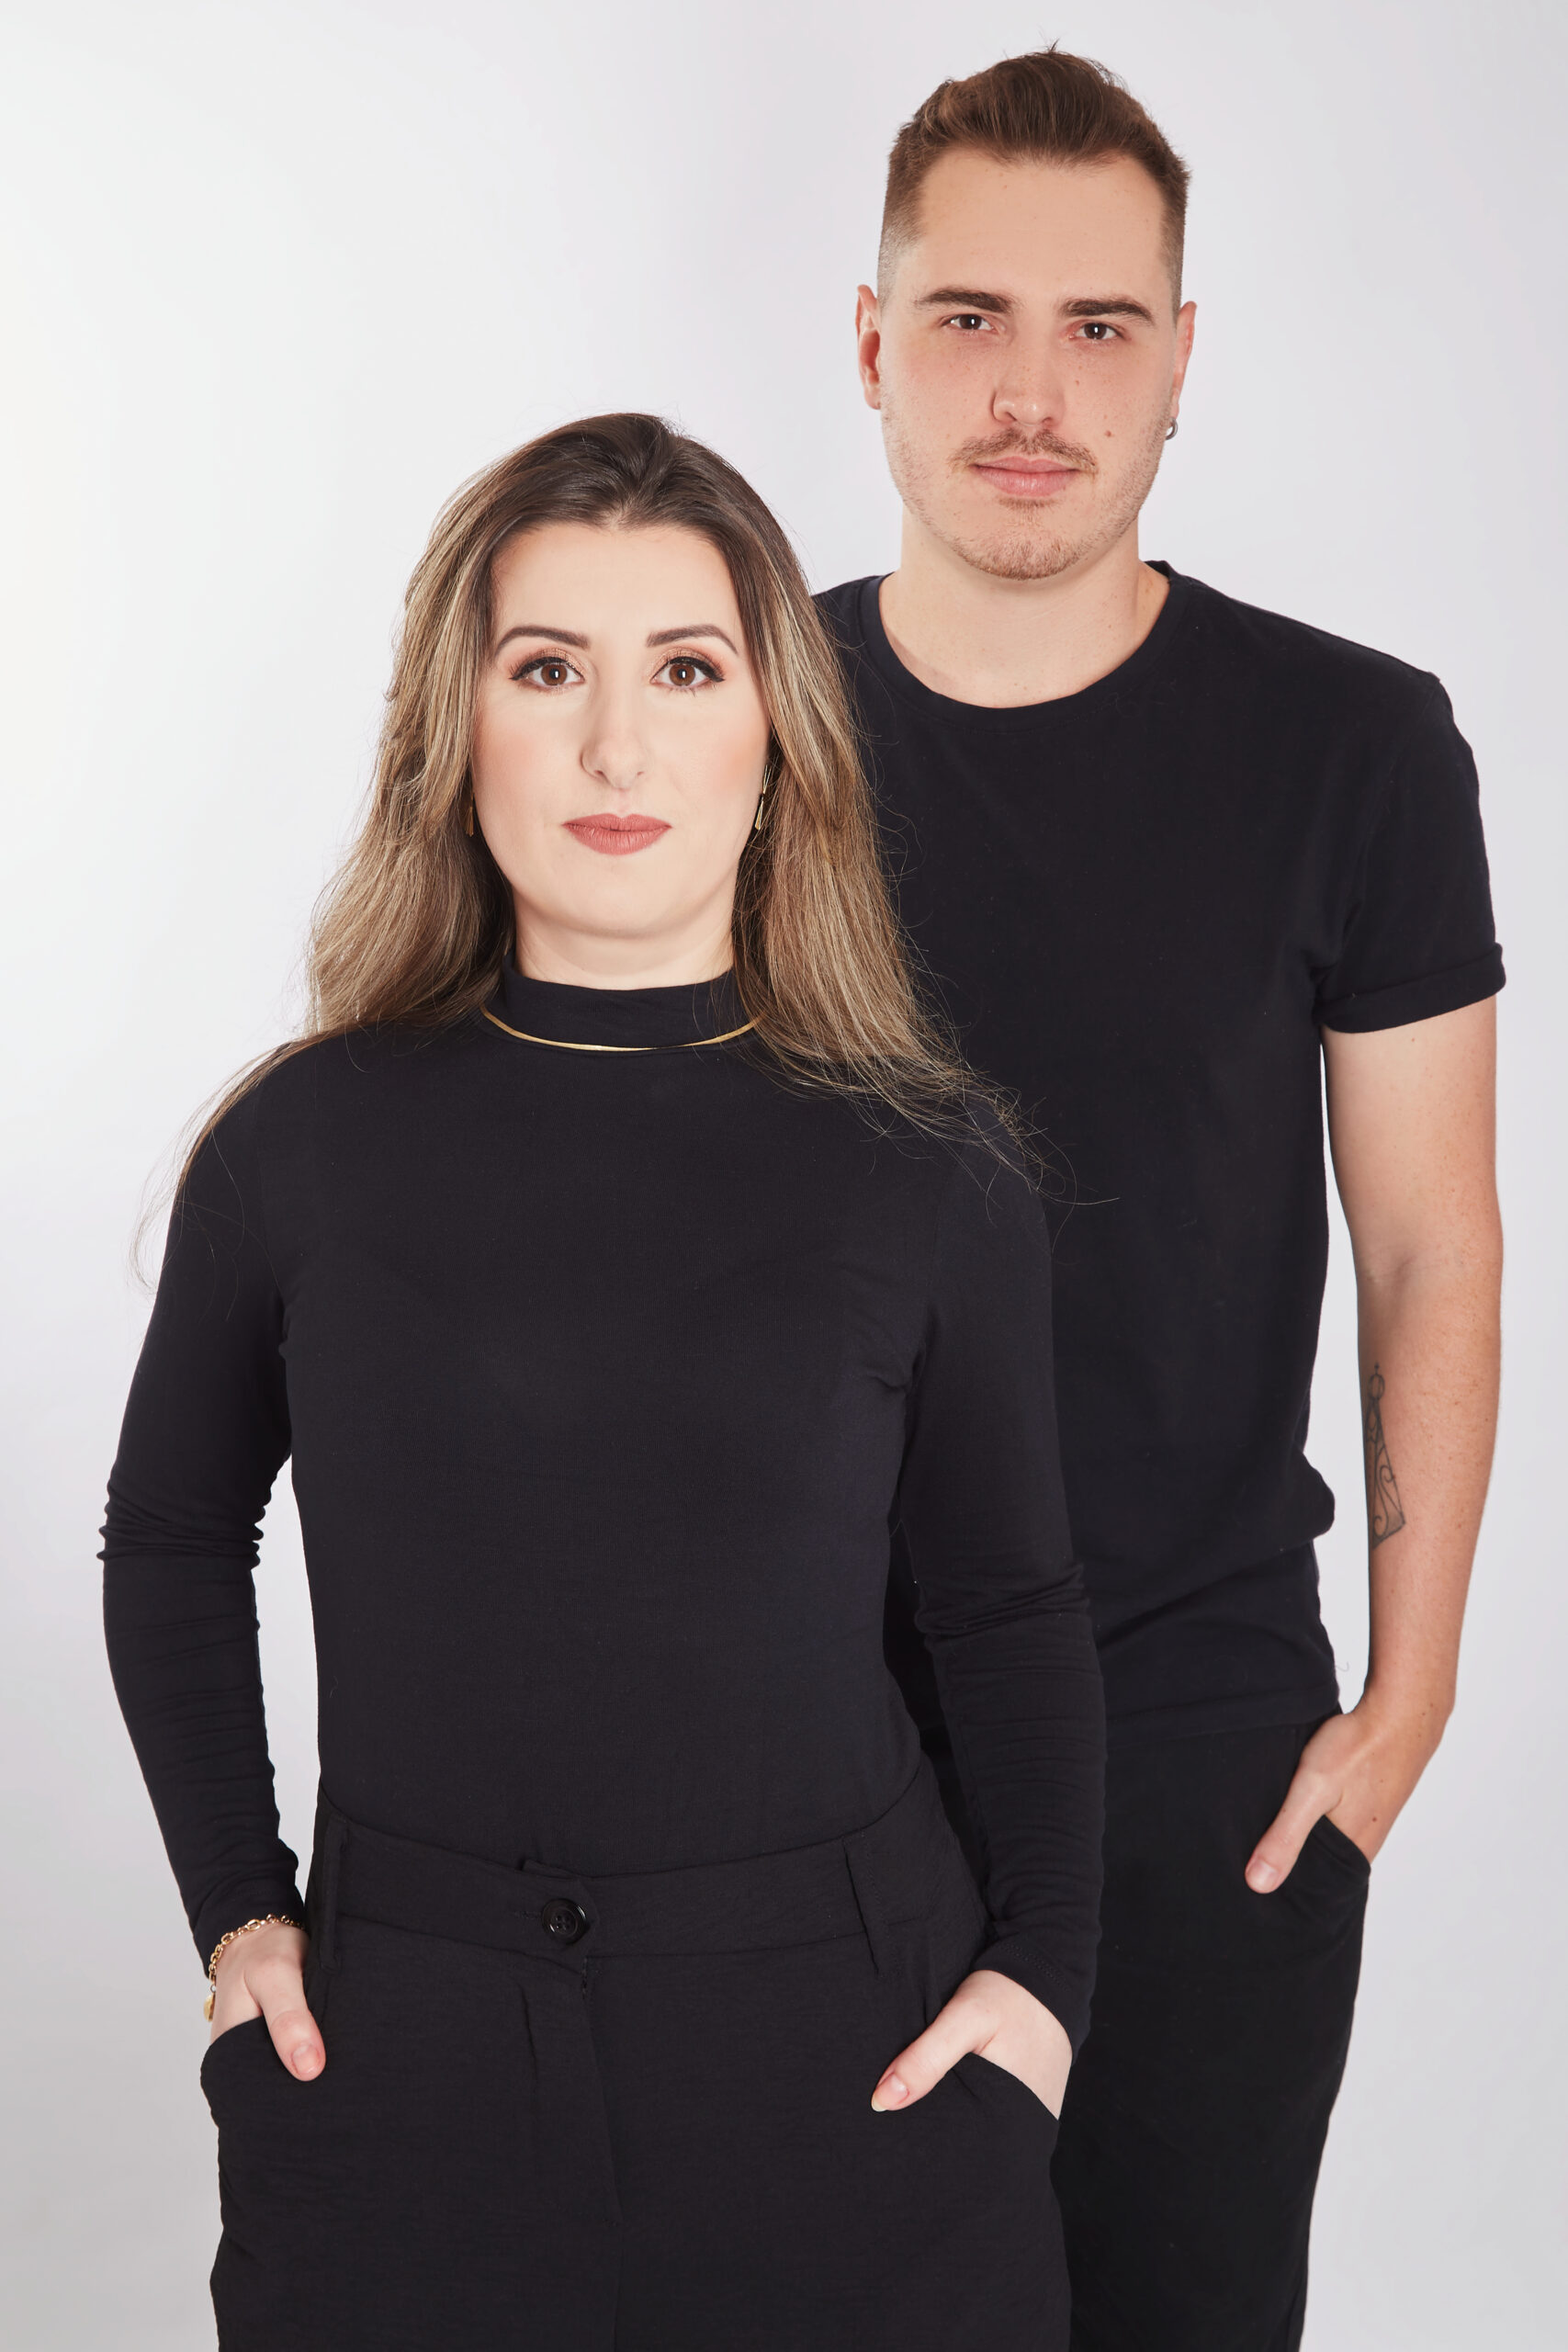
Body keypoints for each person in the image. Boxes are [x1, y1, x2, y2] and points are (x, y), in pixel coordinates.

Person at [101, 413, 1105, 2351]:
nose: (617, 748)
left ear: (779, 737)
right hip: (402, 2078)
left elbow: (1009, 1607)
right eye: (548, 669)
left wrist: (1045, 1985)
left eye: (688, 670)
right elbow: (170, 1536)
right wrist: (239, 1914)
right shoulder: (299, 1146)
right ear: (452, 729)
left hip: (859, 2073)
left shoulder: (929, 1163)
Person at [819, 49, 1504, 2352]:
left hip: (1194, 1737)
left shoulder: (1352, 746)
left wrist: (1406, 1695)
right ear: (871, 342)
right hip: (794, 1737)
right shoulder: (730, 726)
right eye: (967, 318)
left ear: (1180, 356)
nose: (1030, 392)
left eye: (1097, 324)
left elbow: (1426, 1237)